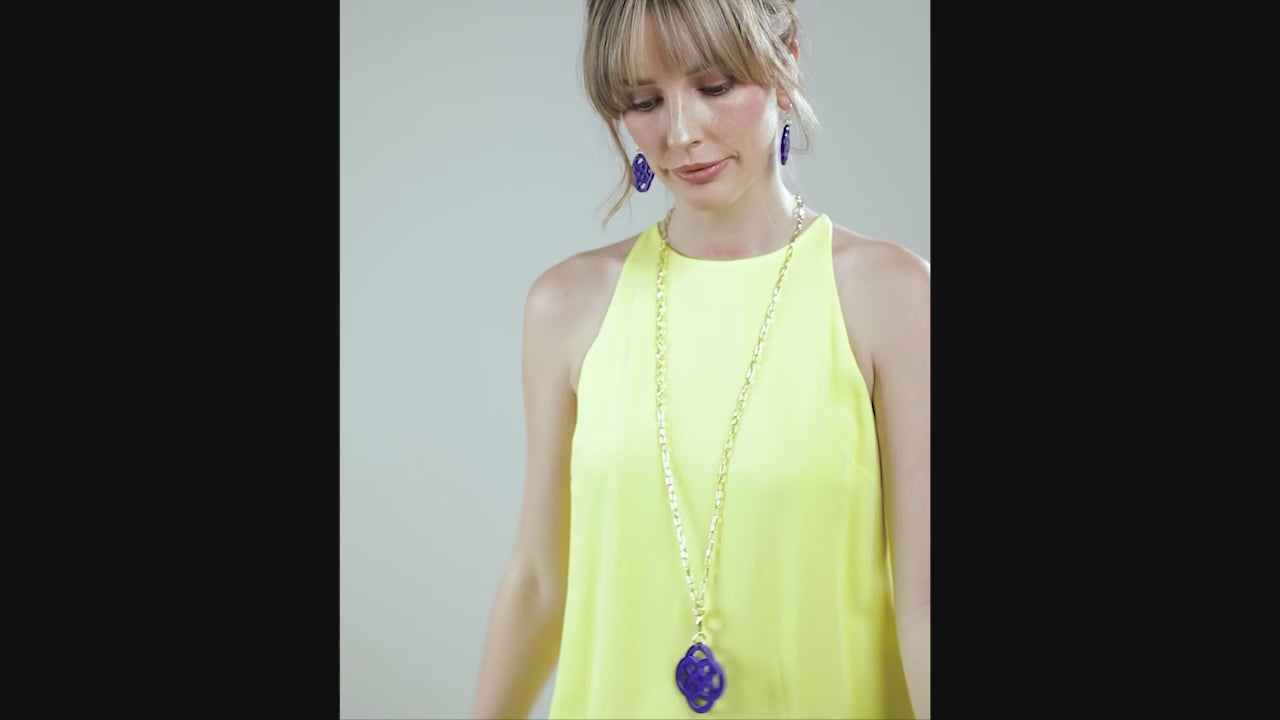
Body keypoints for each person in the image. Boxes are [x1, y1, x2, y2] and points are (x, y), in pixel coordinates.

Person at [472, 0, 929, 717]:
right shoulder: (567, 307)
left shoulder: (891, 297)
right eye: (644, 101)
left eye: (714, 86)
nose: (680, 132)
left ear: (785, 66)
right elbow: (538, 580)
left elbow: (925, 605)